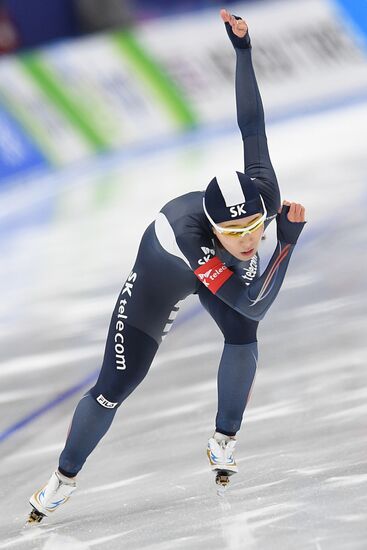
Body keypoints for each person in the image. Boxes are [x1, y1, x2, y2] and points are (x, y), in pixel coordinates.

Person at [28, 9, 306, 522]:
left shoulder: (263, 193)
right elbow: (257, 300)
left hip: (211, 267)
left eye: (256, 230)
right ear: (214, 227)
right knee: (116, 386)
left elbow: (252, 124)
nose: (249, 242)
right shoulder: (192, 237)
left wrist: (243, 51)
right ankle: (62, 478)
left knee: (243, 335)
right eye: (236, 234)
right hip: (163, 276)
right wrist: (285, 244)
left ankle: (224, 439)